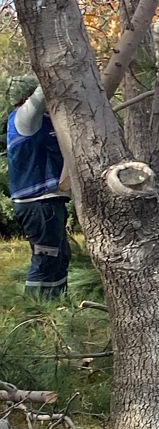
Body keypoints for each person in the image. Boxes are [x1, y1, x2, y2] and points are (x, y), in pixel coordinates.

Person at [5, 77, 70, 300]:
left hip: (48, 201)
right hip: (37, 202)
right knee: (46, 256)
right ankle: (35, 309)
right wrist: (55, 73)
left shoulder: (44, 120)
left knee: (60, 255)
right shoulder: (25, 118)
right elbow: (41, 95)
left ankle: (57, 304)